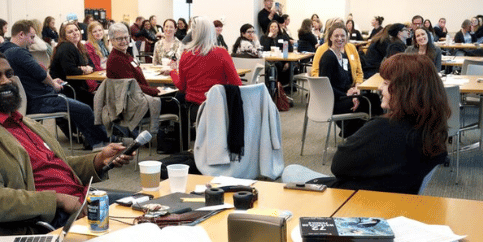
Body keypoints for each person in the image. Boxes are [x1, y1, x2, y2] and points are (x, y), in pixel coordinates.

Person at [0, 47, 132, 234]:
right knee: (140, 227)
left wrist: (99, 159)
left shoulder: (24, 122)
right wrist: (57, 199)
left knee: (148, 206)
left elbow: (59, 165)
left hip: (81, 200)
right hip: (48, 221)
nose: (6, 81)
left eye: (9, 74)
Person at [283, 53, 449, 193]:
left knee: (291, 171)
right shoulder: (432, 129)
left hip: (352, 198)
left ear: (404, 89)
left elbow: (339, 166)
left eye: (386, 83)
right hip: (394, 197)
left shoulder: (383, 129)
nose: (380, 88)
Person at [0, 20, 109, 150]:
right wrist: (53, 85)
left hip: (30, 98)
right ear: (21, 35)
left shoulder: (5, 51)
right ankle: (100, 143)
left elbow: (37, 75)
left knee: (82, 106)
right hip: (40, 99)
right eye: (32, 37)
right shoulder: (19, 52)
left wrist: (52, 81)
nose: (33, 41)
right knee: (85, 109)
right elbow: (41, 74)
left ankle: (93, 140)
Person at [171, 16, 242, 107]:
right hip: (219, 108)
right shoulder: (222, 53)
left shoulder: (186, 54)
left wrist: (173, 72)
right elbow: (236, 83)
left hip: (195, 109)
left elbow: (182, 87)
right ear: (211, 32)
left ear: (193, 34)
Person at [318, 22, 370, 137]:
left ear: (347, 37)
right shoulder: (328, 57)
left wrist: (353, 92)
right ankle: (355, 135)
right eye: (336, 36)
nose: (340, 39)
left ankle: (352, 133)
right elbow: (326, 87)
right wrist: (348, 95)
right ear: (330, 37)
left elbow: (345, 81)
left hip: (342, 97)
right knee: (368, 102)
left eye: (343, 36)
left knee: (372, 98)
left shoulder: (343, 56)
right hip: (332, 101)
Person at [106, 23, 168, 97]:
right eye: (119, 39)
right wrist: (156, 91)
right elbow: (133, 87)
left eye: (126, 37)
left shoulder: (125, 55)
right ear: (111, 40)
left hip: (139, 95)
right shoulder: (116, 59)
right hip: (133, 101)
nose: (124, 41)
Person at [50, 21, 97, 107]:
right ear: (64, 36)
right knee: (98, 101)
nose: (75, 33)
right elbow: (70, 70)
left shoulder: (81, 47)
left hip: (78, 87)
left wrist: (83, 68)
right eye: (70, 32)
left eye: (76, 30)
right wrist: (84, 69)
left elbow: (92, 66)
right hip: (69, 90)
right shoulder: (66, 47)